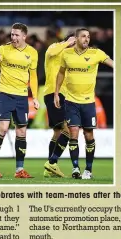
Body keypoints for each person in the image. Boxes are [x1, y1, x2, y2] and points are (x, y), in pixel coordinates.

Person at [53, 28, 114, 179]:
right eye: (83, 36)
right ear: (76, 38)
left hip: (88, 102)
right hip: (71, 101)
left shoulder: (96, 53)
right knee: (73, 132)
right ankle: (75, 168)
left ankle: (88, 170)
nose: (87, 39)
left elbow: (113, 64)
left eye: (88, 37)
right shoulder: (66, 54)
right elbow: (61, 72)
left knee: (89, 135)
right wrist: (56, 92)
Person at [0, 23, 39, 179]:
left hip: (22, 96)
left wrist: (35, 97)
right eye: (12, 34)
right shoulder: (3, 49)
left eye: (17, 35)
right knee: (3, 128)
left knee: (21, 132)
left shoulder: (32, 53)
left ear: (24, 36)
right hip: (5, 94)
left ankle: (19, 170)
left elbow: (33, 76)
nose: (13, 37)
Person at [42, 34, 76, 178]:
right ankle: (52, 162)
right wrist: (66, 43)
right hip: (53, 93)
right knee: (68, 129)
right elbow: (50, 53)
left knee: (57, 132)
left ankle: (49, 169)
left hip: (63, 96)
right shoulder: (55, 47)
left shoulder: (68, 57)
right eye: (75, 42)